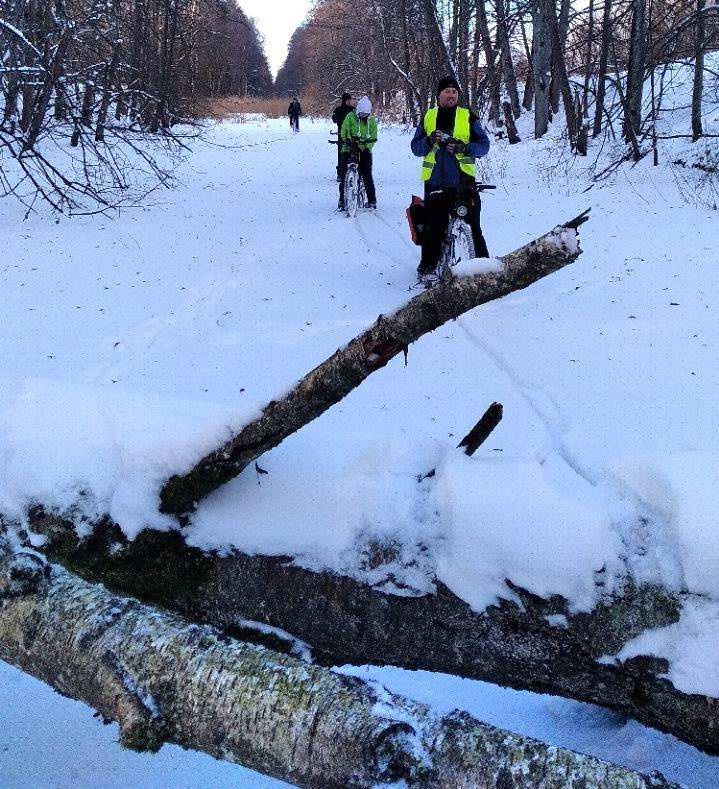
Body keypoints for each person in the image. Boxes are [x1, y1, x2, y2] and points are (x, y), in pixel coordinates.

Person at [411, 76, 490, 278]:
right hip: (435, 183)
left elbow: (484, 145)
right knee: (434, 229)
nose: (452, 95)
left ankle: (485, 271)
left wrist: (465, 147)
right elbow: (416, 148)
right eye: (447, 91)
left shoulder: (468, 116)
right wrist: (429, 140)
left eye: (455, 92)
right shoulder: (428, 117)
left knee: (474, 228)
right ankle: (427, 270)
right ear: (438, 95)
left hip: (464, 182)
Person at [338, 95, 377, 211]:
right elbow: (344, 131)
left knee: (367, 174)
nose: (363, 116)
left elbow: (374, 136)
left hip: (365, 148)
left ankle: (372, 200)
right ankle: (342, 201)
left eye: (365, 114)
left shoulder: (372, 121)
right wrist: (348, 139)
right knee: (344, 173)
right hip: (350, 147)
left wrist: (368, 146)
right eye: (361, 114)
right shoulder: (350, 117)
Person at [331, 93, 355, 180]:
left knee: (352, 154)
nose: (349, 102)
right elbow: (334, 119)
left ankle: (351, 172)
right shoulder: (338, 109)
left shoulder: (353, 110)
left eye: (350, 100)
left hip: (352, 135)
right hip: (342, 135)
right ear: (344, 100)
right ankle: (340, 174)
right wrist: (337, 118)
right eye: (348, 100)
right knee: (341, 154)